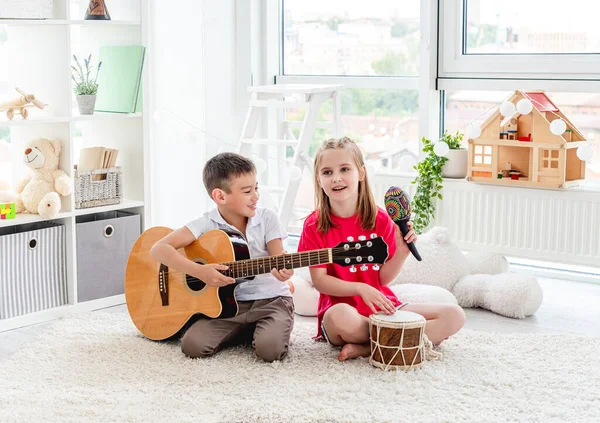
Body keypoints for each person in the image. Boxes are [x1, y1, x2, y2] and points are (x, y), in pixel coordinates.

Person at [298, 137, 465, 361]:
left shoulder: (381, 220)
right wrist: (360, 289)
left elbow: (382, 279)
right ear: (318, 179)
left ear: (361, 173)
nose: (336, 178)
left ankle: (368, 347)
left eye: (345, 169)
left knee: (454, 315)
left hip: (382, 308)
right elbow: (320, 281)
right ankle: (403, 338)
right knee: (340, 317)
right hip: (342, 313)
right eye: (327, 172)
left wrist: (402, 252)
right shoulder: (314, 225)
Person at [150, 152, 294, 362]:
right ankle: (246, 330)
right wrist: (199, 271)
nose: (256, 196)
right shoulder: (207, 223)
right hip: (227, 307)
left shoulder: (267, 219)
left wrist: (282, 272)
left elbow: (277, 261)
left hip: (271, 301)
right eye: (247, 191)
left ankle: (262, 329)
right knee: (192, 346)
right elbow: (158, 249)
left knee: (270, 351)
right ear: (220, 196)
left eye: (256, 188)